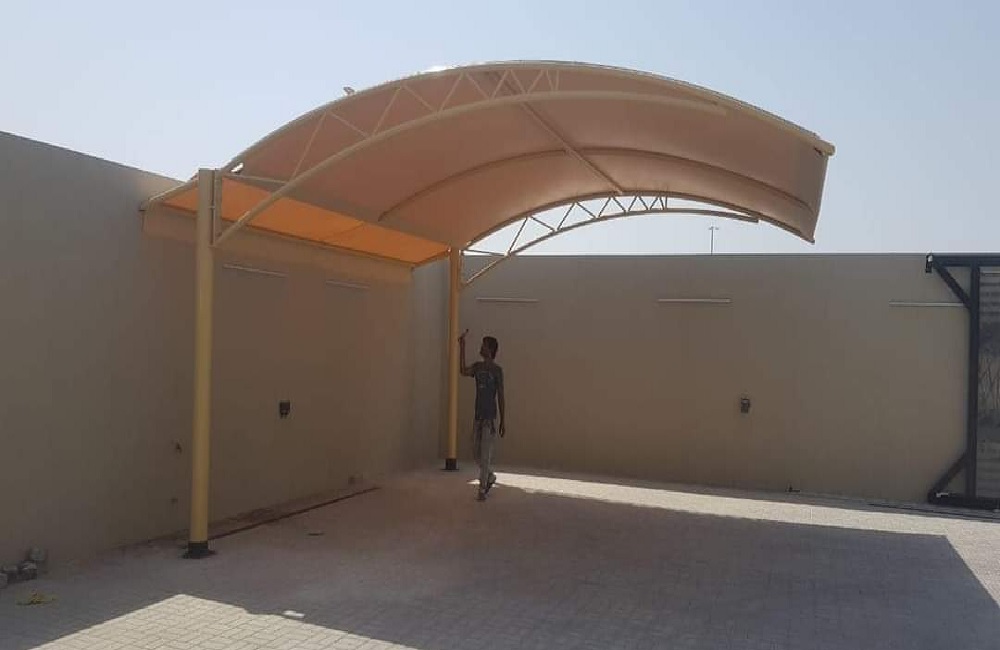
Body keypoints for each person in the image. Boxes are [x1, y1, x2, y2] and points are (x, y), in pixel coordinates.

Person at [459, 329, 505, 501]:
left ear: (490, 349)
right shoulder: (478, 367)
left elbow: (501, 395)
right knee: (475, 451)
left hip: (489, 419)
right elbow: (463, 370)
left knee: (485, 454)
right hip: (478, 417)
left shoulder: (497, 371)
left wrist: (503, 420)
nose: (481, 347)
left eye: (484, 345)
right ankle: (490, 476)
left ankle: (482, 488)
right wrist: (462, 347)